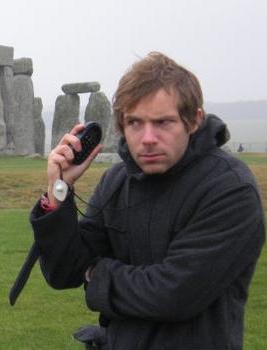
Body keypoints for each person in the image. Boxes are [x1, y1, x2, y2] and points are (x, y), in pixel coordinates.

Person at [31, 52, 264, 349]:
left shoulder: (228, 189)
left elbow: (175, 294)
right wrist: (58, 191)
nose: (148, 137)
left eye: (163, 122)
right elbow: (64, 272)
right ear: (121, 125)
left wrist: (96, 273)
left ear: (194, 120)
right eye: (135, 123)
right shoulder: (118, 181)